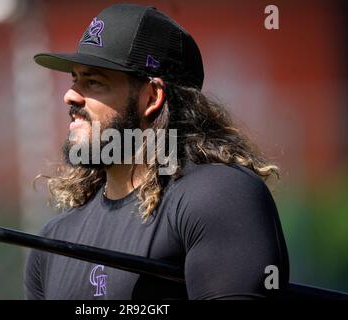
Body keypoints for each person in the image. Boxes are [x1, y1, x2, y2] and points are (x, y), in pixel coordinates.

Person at [25, 3, 289, 300]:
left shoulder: (219, 197)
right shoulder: (54, 241)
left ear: (151, 97)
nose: (70, 95)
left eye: (94, 82)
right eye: (75, 79)